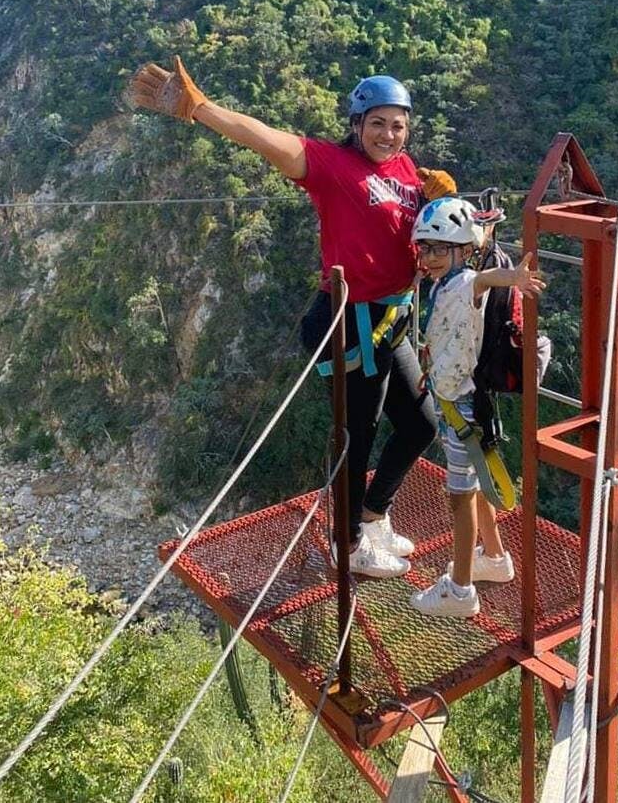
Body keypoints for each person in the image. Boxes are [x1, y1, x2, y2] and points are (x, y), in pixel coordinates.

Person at [128, 58, 456, 578]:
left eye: (398, 125)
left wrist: (441, 201)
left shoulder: (406, 169)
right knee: (358, 436)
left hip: (391, 319)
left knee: (420, 424)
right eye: (377, 123)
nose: (388, 134)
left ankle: (372, 516)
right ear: (356, 124)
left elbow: (417, 236)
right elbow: (264, 138)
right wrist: (202, 109)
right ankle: (347, 543)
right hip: (346, 322)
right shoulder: (331, 165)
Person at [409, 197, 546, 618]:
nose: (430, 258)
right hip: (455, 400)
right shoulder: (439, 284)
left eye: (439, 249)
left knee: (459, 497)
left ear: (462, 250)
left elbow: (486, 279)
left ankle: (462, 589)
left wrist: (515, 277)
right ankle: (495, 557)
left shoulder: (465, 281)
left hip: (462, 406)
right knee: (475, 481)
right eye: (425, 248)